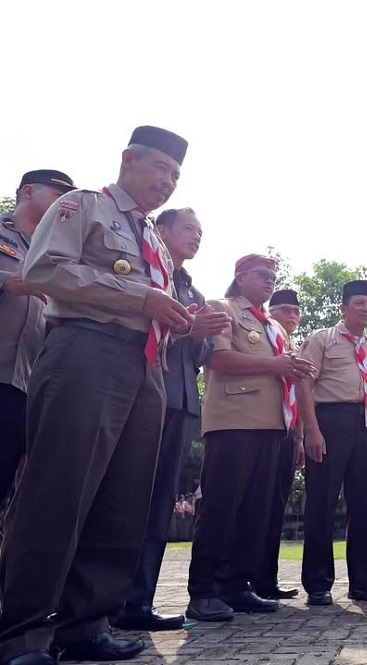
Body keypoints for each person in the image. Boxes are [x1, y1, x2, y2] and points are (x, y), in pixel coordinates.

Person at [1, 127, 194, 665]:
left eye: (176, 175)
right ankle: (22, 633)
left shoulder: (154, 238)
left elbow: (156, 306)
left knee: (122, 500)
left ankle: (86, 625)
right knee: (58, 491)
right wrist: (141, 295)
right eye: (160, 167)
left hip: (145, 364)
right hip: (85, 350)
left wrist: (183, 320)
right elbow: (42, 270)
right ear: (129, 159)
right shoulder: (83, 205)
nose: (167, 181)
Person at [117, 208, 230, 632]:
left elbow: (202, 357)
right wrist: (187, 329)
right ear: (159, 231)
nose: (197, 237)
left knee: (160, 502)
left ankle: (138, 602)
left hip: (181, 401)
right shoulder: (142, 271)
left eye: (201, 232)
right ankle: (96, 602)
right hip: (140, 391)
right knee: (123, 496)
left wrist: (199, 334)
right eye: (189, 229)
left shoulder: (193, 291)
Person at [186, 255, 315, 622]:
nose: (269, 281)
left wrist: (293, 369)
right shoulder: (221, 308)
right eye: (262, 275)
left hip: (272, 425)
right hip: (233, 421)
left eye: (274, 276)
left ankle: (238, 585)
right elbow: (219, 359)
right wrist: (277, 365)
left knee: (255, 511)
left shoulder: (274, 325)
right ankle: (203, 590)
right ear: (240, 277)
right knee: (221, 507)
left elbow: (285, 372)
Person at [297, 279, 367, 605]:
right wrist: (311, 431)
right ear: (343, 308)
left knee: (364, 505)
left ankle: (364, 581)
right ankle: (318, 583)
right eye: (360, 304)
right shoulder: (322, 340)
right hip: (330, 421)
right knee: (321, 503)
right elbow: (304, 386)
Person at [0, 170, 76, 512]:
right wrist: (6, 281)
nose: (64, 203)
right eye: (58, 193)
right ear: (28, 191)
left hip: (26, 384)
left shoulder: (55, 252)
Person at [255, 288, 306, 600]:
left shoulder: (295, 348)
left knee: (276, 507)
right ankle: (240, 579)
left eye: (296, 311)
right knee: (255, 505)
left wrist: (299, 438)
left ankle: (266, 580)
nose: (291, 316)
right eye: (285, 309)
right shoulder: (262, 339)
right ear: (271, 311)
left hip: (287, 432)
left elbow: (298, 397)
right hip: (259, 427)